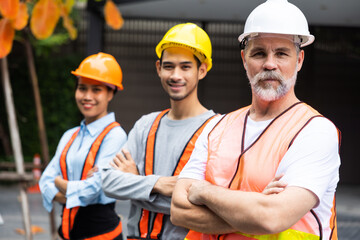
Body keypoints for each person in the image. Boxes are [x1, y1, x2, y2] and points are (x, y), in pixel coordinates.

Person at [170, 0, 341, 240]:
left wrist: (205, 192)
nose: (270, 64)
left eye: (281, 53)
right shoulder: (215, 128)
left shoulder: (315, 131)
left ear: (299, 60)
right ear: (244, 59)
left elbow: (272, 218)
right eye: (259, 53)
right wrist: (256, 206)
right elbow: (178, 211)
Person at [100, 23, 217, 240]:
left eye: (185, 67)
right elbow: (107, 181)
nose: (175, 75)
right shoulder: (147, 124)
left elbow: (205, 206)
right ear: (158, 68)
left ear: (202, 70)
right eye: (169, 66)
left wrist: (136, 184)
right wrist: (161, 184)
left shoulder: (216, 129)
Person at [39, 52, 127, 240]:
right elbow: (44, 180)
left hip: (103, 236)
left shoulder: (116, 136)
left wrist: (59, 183)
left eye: (96, 90)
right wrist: (76, 189)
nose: (87, 96)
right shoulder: (70, 135)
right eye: (82, 88)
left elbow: (94, 189)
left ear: (111, 93)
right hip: (69, 235)